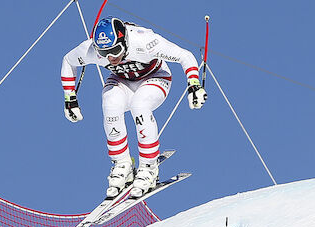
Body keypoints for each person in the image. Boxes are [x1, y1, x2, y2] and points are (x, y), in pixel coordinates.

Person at [61, 16, 207, 198]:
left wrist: (194, 85)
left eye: (115, 50)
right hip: (123, 81)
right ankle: (122, 164)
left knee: (140, 105)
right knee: (110, 102)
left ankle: (148, 168)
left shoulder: (145, 41)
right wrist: (70, 98)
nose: (111, 58)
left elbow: (185, 56)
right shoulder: (92, 49)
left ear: (123, 40)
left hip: (155, 77)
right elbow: (68, 61)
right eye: (104, 53)